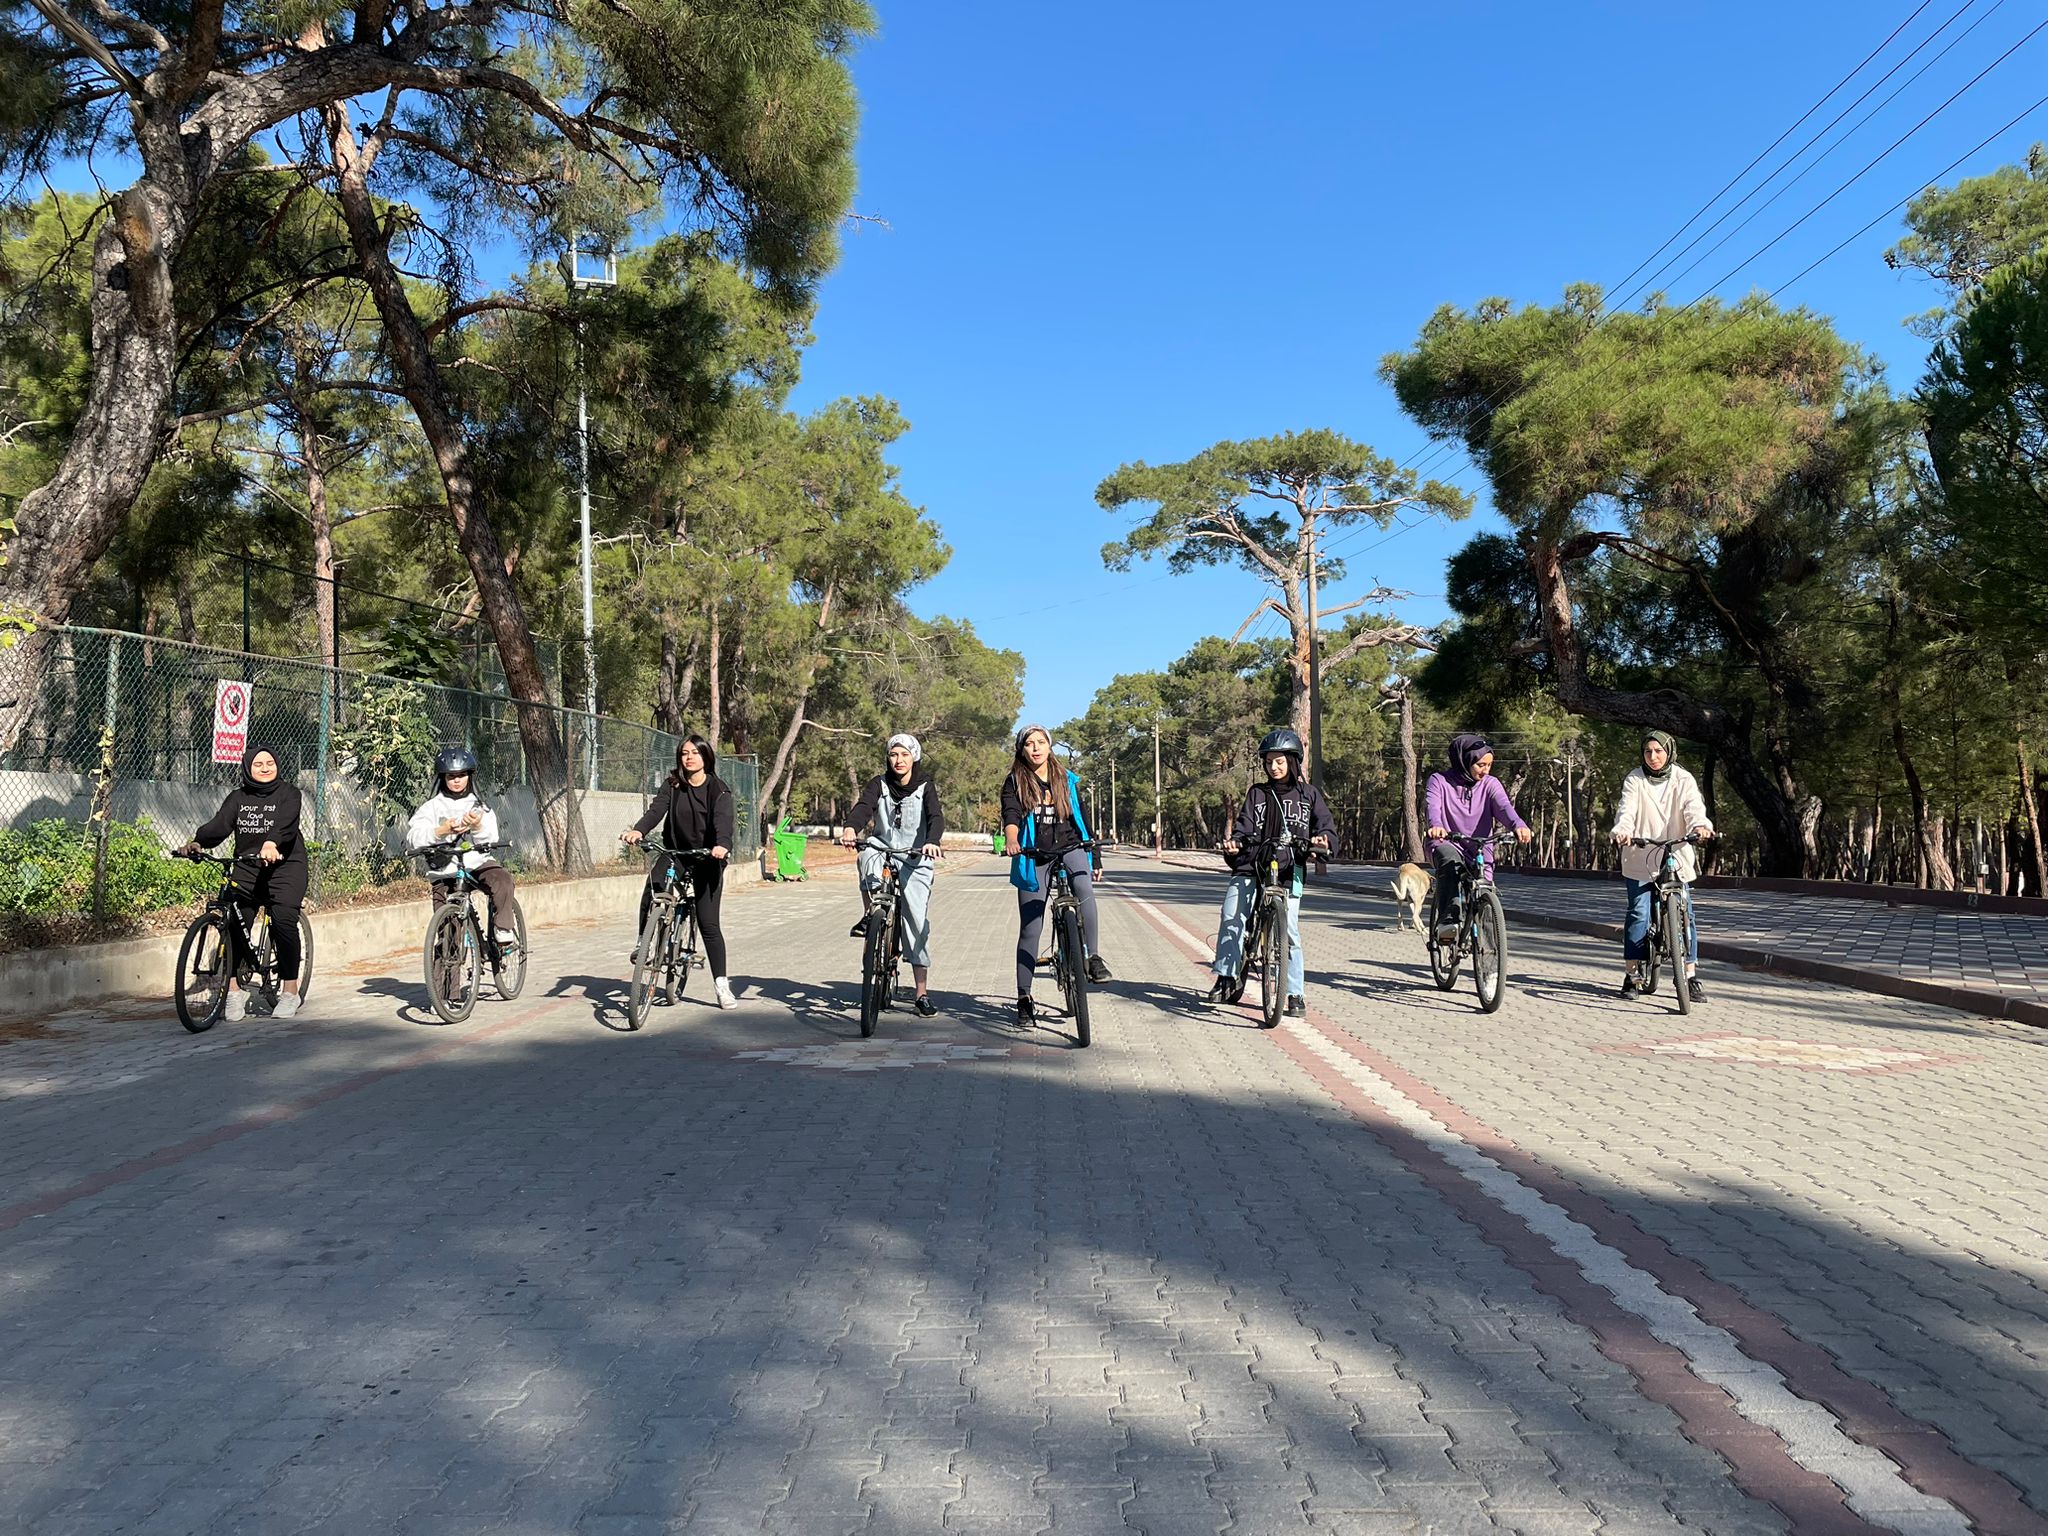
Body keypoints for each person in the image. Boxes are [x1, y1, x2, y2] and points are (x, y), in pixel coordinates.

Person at [1208, 728, 1336, 1017]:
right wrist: (1235, 844)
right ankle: (1226, 977)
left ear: (1293, 761)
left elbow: (1326, 826)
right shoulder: (1257, 793)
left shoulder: (1309, 795)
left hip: (1290, 869)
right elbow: (1243, 828)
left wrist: (1322, 841)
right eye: (1268, 762)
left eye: (1280, 761)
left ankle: (1294, 993)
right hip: (1251, 865)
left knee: (1289, 932)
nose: (1274, 767)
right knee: (1232, 917)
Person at [180, 744, 309, 1021]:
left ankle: (290, 991)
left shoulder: (289, 793)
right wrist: (198, 842)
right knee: (233, 923)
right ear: (248, 768)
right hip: (248, 865)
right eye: (258, 764)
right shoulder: (238, 798)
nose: (265, 768)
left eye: (269, 763)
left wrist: (272, 843)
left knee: (284, 921)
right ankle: (233, 991)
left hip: (285, 866)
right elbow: (220, 824)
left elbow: (286, 824)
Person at [1001, 724, 1109, 1024]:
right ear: (1021, 750)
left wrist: (1095, 855)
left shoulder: (1066, 778)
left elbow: (1082, 818)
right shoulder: (1015, 781)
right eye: (1029, 744)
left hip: (1071, 845)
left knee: (1084, 890)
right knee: (1031, 927)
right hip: (1034, 853)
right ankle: (1024, 997)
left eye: (1041, 742)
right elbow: (1011, 814)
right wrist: (1012, 840)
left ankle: (1092, 957)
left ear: (1050, 746)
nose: (1035, 748)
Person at [622, 735, 737, 1008]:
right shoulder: (672, 784)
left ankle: (721, 985)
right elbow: (656, 811)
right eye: (685, 753)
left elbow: (723, 822)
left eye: (695, 753)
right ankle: (644, 941)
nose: (689, 758)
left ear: (706, 757)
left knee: (709, 923)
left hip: (707, 857)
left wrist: (722, 846)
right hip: (676, 853)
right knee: (654, 885)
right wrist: (639, 830)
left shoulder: (718, 790)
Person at [839, 733, 946, 1016]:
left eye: (904, 755)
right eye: (893, 754)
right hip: (883, 847)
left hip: (915, 854)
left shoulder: (925, 785)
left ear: (914, 757)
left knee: (916, 924)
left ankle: (921, 993)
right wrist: (850, 827)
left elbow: (936, 816)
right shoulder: (879, 783)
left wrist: (932, 841)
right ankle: (871, 914)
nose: (899, 760)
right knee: (865, 855)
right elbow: (864, 806)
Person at [1610, 729, 1715, 1001]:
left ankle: (1689, 976)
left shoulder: (1683, 778)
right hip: (1640, 855)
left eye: (1659, 751)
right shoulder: (1635, 778)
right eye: (1648, 751)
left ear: (1669, 752)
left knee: (1686, 914)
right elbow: (1627, 809)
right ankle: (1633, 975)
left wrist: (1700, 826)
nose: (1653, 756)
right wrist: (1623, 830)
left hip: (1675, 855)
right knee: (1638, 913)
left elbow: (1693, 807)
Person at [407, 748, 518, 949]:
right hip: (445, 870)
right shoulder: (431, 808)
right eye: (451, 776)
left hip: (477, 863)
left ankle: (503, 927)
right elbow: (413, 838)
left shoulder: (479, 806)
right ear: (443, 778)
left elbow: (491, 838)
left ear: (469, 776)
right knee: (447, 934)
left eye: (461, 775)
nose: (457, 780)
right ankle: (445, 967)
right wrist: (441, 831)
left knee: (503, 880)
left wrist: (477, 826)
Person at [1423, 733, 1533, 936]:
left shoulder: (1491, 784)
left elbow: (1504, 807)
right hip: (1446, 841)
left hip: (1479, 847)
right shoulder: (1439, 781)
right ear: (1464, 761)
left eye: (1489, 765)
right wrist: (1436, 825)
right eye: (1481, 765)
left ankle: (1490, 951)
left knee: (1486, 895)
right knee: (1450, 863)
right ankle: (1448, 922)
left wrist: (1518, 825)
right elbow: (1433, 807)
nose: (1486, 770)